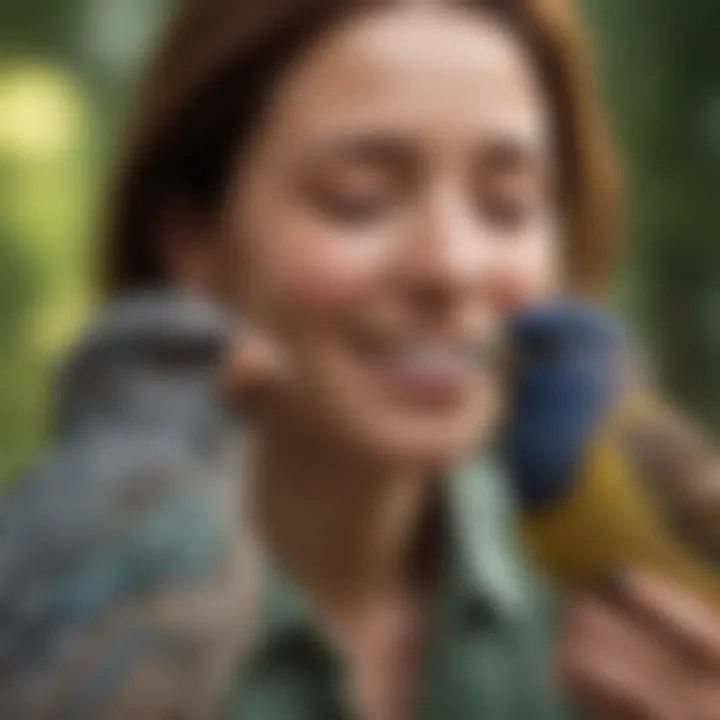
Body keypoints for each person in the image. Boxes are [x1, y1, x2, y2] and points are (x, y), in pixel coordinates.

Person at [103, 0, 720, 717]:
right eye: (357, 199)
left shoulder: (632, 620)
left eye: (506, 205)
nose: (450, 268)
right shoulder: (54, 632)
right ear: (192, 244)